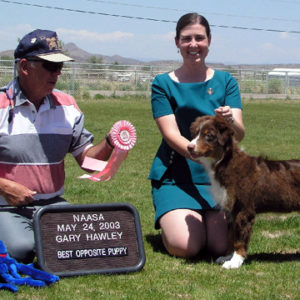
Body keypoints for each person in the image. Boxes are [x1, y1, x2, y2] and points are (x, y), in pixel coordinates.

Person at [0, 29, 115, 263]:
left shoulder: (68, 106)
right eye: (51, 67)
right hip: (6, 207)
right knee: (21, 249)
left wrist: (111, 143)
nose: (58, 73)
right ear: (24, 66)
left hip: (53, 206)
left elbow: (88, 164)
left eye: (60, 67)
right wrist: (4, 187)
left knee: (94, 243)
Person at [148, 13, 245, 259]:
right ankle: (171, 221)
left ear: (209, 41)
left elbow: (240, 134)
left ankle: (206, 221)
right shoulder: (162, 84)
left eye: (199, 38)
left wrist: (230, 122)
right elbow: (170, 135)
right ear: (177, 42)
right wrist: (202, 154)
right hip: (176, 175)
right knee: (186, 246)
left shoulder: (226, 82)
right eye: (186, 39)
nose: (193, 44)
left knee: (220, 246)